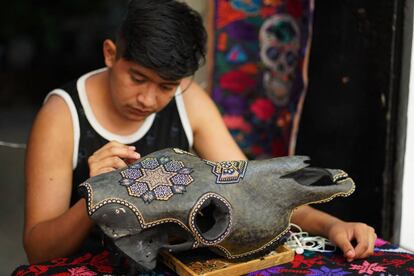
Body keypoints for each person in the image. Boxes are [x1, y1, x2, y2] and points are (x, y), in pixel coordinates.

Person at [23, 0, 376, 266]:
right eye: (137, 78)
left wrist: (332, 226)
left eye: (166, 85)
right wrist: (96, 195)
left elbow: (250, 190)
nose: (148, 98)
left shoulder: (188, 101)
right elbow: (37, 250)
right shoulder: (63, 115)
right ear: (111, 54)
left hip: (167, 263)